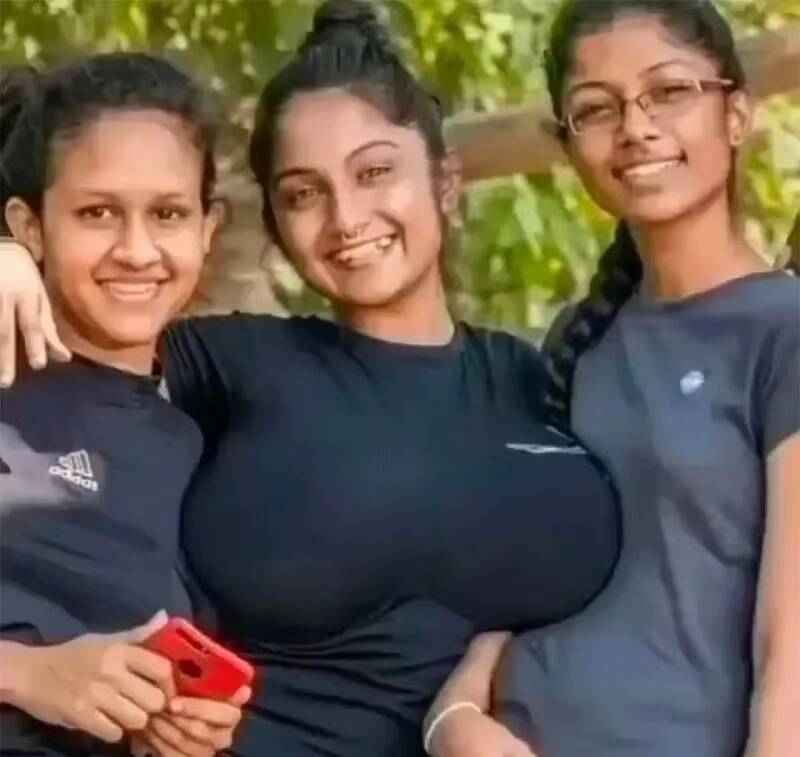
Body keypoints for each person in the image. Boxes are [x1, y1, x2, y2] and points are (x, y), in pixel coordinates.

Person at [0, 2, 621, 755]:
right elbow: (92, 322)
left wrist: (466, 697)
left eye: (375, 172)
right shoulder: (232, 363)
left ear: (445, 180)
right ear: (274, 222)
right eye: (302, 193)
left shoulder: (540, 379)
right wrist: (8, 255)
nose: (346, 216)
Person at [426, 2, 800, 756]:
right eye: (597, 109)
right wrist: (455, 714)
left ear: (736, 114)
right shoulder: (582, 337)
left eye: (669, 91)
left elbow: (789, 650)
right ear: (567, 144)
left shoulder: (783, 329)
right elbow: (526, 568)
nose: (636, 127)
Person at [0, 53, 250, 756]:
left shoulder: (188, 443)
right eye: (97, 213)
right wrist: (26, 673)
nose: (137, 250)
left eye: (167, 214)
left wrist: (165, 723)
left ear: (207, 228)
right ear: (30, 226)